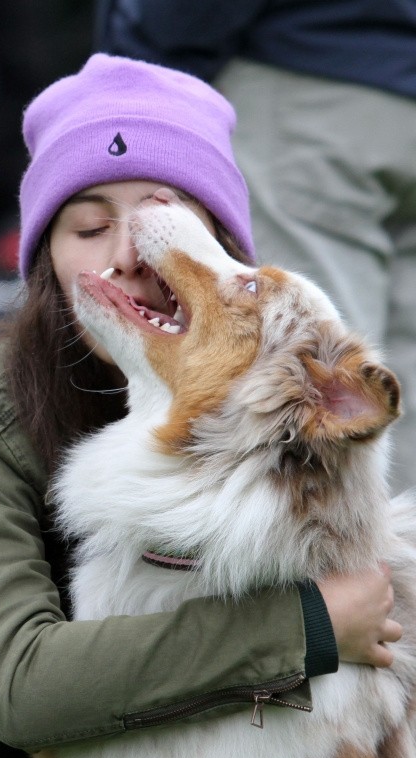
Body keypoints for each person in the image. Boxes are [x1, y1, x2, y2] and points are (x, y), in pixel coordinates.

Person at [0, 54, 401, 758]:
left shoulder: (283, 433)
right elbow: (16, 685)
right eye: (91, 227)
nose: (128, 254)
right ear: (46, 262)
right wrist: (306, 628)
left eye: (162, 219)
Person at [96, 0, 416, 496]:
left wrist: (143, 73)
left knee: (300, 363)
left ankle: (325, 573)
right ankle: (379, 567)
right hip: (398, 85)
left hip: (303, 85)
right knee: (392, 400)